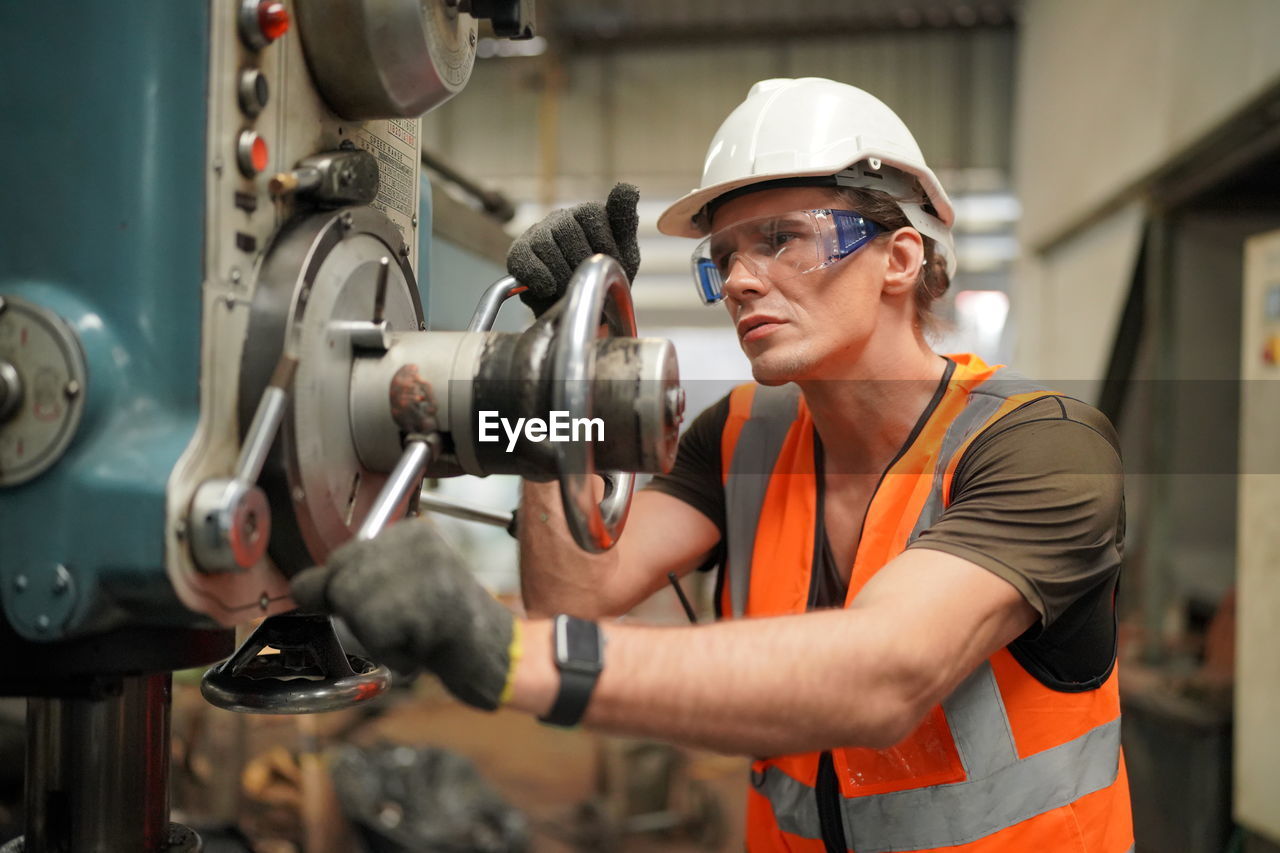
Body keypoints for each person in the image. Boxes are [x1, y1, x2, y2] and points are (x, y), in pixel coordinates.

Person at [292, 77, 1133, 851]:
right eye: (725, 255)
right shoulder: (741, 436)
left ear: (901, 257)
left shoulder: (1045, 450)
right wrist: (558, 373)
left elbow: (888, 675)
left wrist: (503, 653)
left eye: (779, 240)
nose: (739, 280)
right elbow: (575, 593)